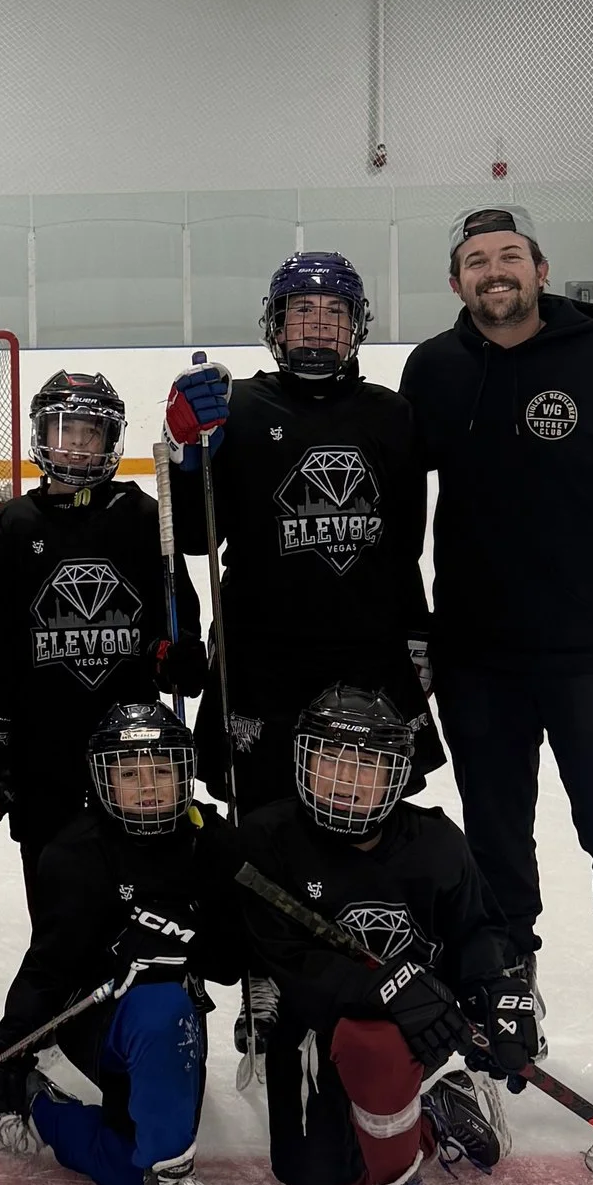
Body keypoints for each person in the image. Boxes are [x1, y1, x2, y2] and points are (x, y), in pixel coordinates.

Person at [397, 205, 593, 1088]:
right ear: (455, 281)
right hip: (478, 659)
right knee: (496, 841)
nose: (493, 272)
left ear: (539, 269)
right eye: (474, 261)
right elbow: (392, 500)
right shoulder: (434, 369)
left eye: (508, 257)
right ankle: (508, 982)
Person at [0, 699, 244, 1185]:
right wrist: (10, 1044)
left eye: (162, 771)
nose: (148, 787)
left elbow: (233, 963)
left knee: (122, 1166)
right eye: (130, 773)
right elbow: (50, 968)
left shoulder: (211, 844)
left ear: (184, 774)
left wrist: (185, 933)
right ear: (103, 778)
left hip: (174, 1019)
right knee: (157, 1010)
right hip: (100, 1022)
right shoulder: (74, 853)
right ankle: (161, 1174)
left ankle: (52, 1111)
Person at [231, 683, 515, 1185]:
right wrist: (386, 985)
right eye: (330, 758)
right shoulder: (266, 840)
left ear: (398, 775)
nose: (344, 778)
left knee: (375, 1038)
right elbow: (284, 956)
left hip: (402, 1040)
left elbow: (480, 931)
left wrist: (500, 996)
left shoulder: (435, 842)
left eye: (366, 764)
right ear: (303, 762)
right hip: (312, 1029)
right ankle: (437, 1113)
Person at [159, 251, 432, 814]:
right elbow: (193, 538)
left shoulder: (392, 415)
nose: (318, 323)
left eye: (336, 311)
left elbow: (405, 544)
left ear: (356, 327)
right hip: (263, 658)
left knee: (366, 821)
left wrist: (418, 633)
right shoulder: (235, 409)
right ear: (275, 325)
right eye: (303, 310)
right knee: (262, 826)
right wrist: (186, 454)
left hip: (368, 656)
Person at [0, 369, 204, 912]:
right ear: (40, 435)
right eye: (65, 430)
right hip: (41, 751)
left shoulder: (143, 517)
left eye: (90, 433)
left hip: (133, 750)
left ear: (109, 442)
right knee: (55, 899)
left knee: (140, 892)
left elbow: (177, 623)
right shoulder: (7, 531)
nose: (76, 444)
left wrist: (178, 658)